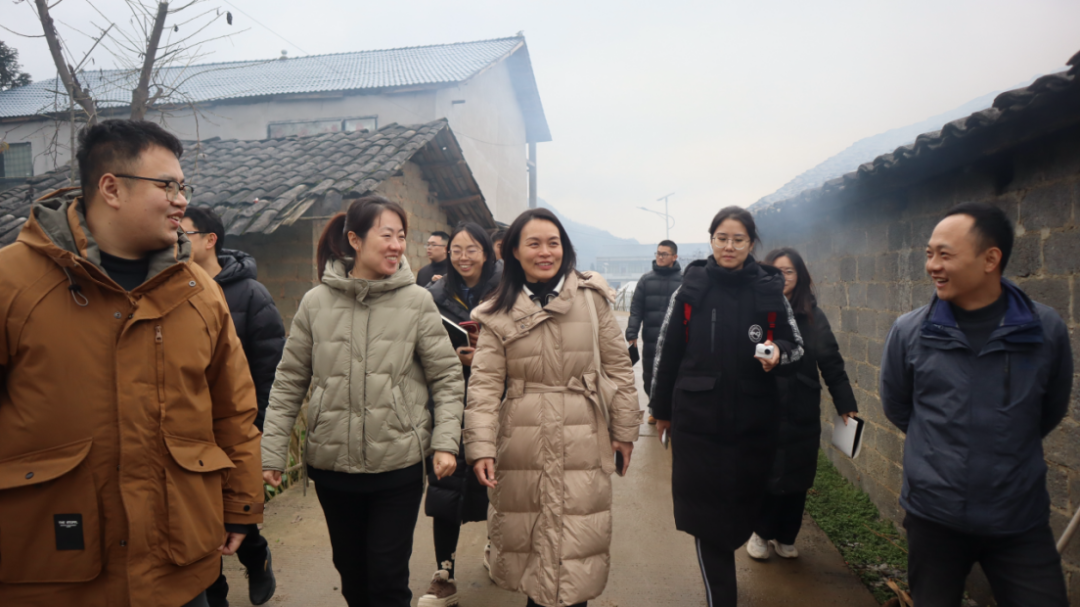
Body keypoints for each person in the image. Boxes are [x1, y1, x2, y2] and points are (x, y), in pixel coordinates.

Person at [0, 119, 264, 607]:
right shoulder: (12, 283)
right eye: (167, 186)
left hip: (176, 565)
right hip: (50, 568)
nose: (181, 200)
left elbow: (233, 410)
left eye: (183, 187)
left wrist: (241, 504)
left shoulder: (200, 291)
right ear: (111, 188)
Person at [261, 196, 465, 607]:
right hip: (333, 466)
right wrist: (272, 452)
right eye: (386, 235)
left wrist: (445, 442)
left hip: (398, 465)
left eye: (401, 236)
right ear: (354, 239)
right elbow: (289, 381)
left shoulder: (416, 302)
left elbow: (446, 377)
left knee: (388, 580)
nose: (397, 245)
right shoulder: (315, 303)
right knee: (353, 577)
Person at [881, 202, 1072, 607]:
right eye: (929, 254)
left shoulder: (1043, 330)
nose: (932, 265)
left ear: (990, 259)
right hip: (934, 516)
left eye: (944, 254)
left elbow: (1049, 410)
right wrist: (940, 453)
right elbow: (898, 406)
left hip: (1019, 518)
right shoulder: (911, 331)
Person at [465, 207, 642, 607]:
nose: (545, 252)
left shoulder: (591, 299)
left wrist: (624, 431)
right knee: (532, 547)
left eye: (553, 243)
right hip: (522, 440)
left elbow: (618, 368)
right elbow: (485, 385)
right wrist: (481, 446)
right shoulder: (496, 311)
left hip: (584, 435)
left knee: (577, 544)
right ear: (513, 251)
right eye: (534, 244)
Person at [650, 205, 804, 607]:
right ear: (711, 240)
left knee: (741, 507)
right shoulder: (691, 288)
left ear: (751, 243)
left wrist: (778, 353)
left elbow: (796, 345)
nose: (729, 246)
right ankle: (722, 598)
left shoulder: (768, 288)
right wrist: (661, 410)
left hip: (753, 425)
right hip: (697, 424)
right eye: (722, 238)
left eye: (738, 239)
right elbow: (667, 351)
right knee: (707, 516)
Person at [183, 205, 284, 606]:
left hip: (237, 424)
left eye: (184, 233)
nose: (175, 240)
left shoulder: (250, 294)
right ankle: (215, 591)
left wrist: (257, 424)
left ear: (210, 240)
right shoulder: (174, 287)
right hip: (191, 429)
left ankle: (256, 557)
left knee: (233, 509)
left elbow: (269, 367)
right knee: (200, 519)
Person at [748, 248, 857, 560]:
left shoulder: (812, 315)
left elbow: (831, 361)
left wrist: (845, 402)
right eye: (776, 271)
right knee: (766, 470)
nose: (783, 277)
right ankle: (760, 532)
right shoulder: (757, 312)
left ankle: (786, 535)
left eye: (789, 271)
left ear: (800, 276)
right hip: (763, 404)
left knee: (798, 473)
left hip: (801, 404)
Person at [418, 222, 503, 607]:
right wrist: (452, 356)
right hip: (448, 399)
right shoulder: (433, 295)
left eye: (471, 250)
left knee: (499, 484)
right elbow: (420, 348)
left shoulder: (508, 292)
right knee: (445, 482)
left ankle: (495, 547)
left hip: (499, 400)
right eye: (456, 250)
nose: (463, 257)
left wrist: (487, 354)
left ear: (487, 253)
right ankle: (444, 572)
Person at [626, 239, 683, 424]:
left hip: (676, 339)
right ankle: (654, 410)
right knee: (649, 375)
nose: (660, 257)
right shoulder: (646, 280)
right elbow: (636, 309)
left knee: (675, 374)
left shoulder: (684, 281)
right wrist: (632, 333)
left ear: (674, 257)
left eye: (664, 254)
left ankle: (673, 411)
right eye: (658, 253)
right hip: (651, 338)